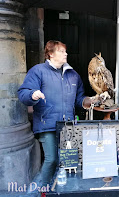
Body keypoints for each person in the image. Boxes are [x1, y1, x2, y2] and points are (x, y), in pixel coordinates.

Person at [18, 40, 95, 186]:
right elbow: (23, 93)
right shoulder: (38, 71)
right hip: (48, 124)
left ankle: (62, 188)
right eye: (61, 51)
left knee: (68, 159)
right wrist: (32, 94)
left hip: (68, 126)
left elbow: (79, 98)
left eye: (65, 51)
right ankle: (43, 189)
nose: (65, 54)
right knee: (52, 159)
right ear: (50, 54)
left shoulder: (73, 75)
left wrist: (89, 101)